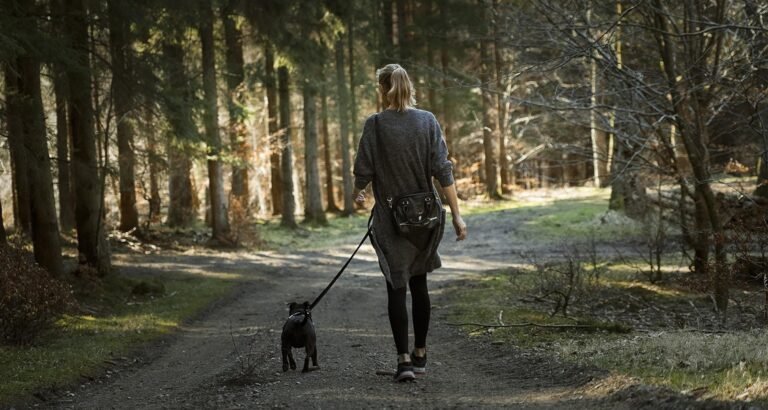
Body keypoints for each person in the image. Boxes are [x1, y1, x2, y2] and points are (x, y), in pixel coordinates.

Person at [353, 63, 467, 382]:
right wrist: (457, 214)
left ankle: (403, 361)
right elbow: (442, 170)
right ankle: (420, 354)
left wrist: (357, 195)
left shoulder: (375, 125)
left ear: (382, 89)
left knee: (396, 285)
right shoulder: (427, 121)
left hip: (391, 219)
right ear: (408, 86)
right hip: (427, 217)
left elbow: (363, 172)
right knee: (420, 284)